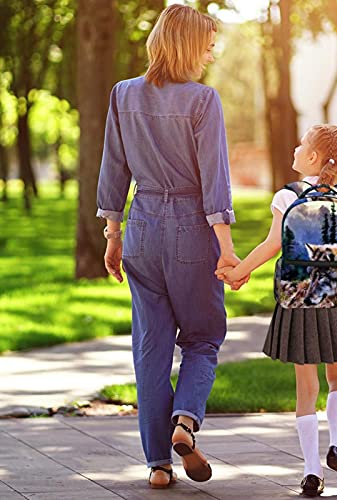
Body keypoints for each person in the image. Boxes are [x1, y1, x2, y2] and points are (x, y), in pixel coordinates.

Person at [96, 4, 247, 489]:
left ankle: (158, 464)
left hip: (140, 227)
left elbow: (113, 170)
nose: (209, 54)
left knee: (151, 348)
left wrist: (113, 235)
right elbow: (214, 182)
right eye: (205, 45)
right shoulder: (203, 100)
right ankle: (185, 421)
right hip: (191, 230)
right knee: (203, 338)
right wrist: (226, 249)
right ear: (185, 46)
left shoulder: (123, 95)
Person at [217, 124, 337, 497]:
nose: (295, 147)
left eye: (301, 144)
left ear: (314, 157)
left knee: (306, 387)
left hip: (298, 298)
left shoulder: (288, 197)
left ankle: (311, 472)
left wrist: (238, 272)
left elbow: (273, 244)